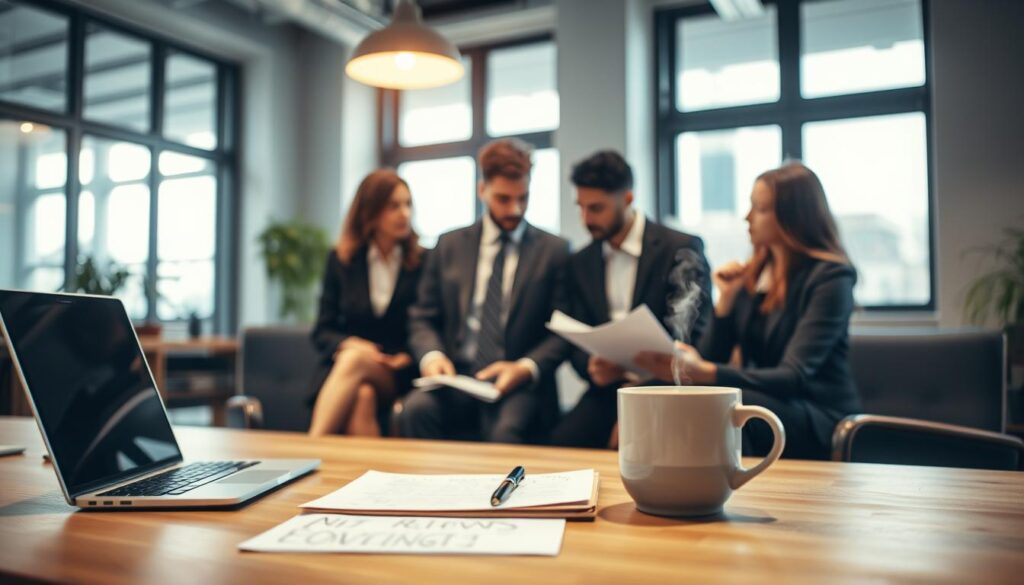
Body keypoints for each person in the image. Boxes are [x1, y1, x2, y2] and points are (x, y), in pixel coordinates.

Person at [634, 162, 861, 460]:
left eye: (760, 209)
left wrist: (710, 373)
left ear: (792, 217)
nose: (747, 217)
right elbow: (712, 357)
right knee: (657, 389)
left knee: (731, 409)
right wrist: (725, 303)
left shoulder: (831, 278)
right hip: (771, 402)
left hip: (817, 414)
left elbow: (793, 376)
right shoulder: (754, 275)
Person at [398, 138, 570, 443]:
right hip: (456, 377)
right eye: (503, 199)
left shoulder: (554, 251)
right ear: (482, 190)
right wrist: (432, 356)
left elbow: (563, 330)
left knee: (506, 432)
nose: (514, 209)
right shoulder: (449, 245)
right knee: (414, 411)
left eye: (523, 198)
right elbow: (422, 316)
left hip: (518, 382)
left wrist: (526, 367)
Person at [548, 150, 712, 449]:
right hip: (607, 389)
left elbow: (696, 332)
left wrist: (641, 407)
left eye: (596, 208)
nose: (586, 219)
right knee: (560, 446)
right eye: (581, 208)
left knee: (636, 445)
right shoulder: (581, 262)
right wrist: (591, 368)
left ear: (627, 198)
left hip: (667, 388)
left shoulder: (680, 248)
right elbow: (576, 338)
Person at [308, 169, 426, 437]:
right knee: (362, 395)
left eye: (408, 204)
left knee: (353, 362)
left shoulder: (422, 261)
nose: (404, 213)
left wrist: (407, 355)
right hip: (354, 367)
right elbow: (322, 331)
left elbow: (431, 322)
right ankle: (367, 477)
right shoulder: (341, 260)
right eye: (393, 206)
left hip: (401, 370)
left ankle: (312, 444)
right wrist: (353, 344)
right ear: (370, 211)